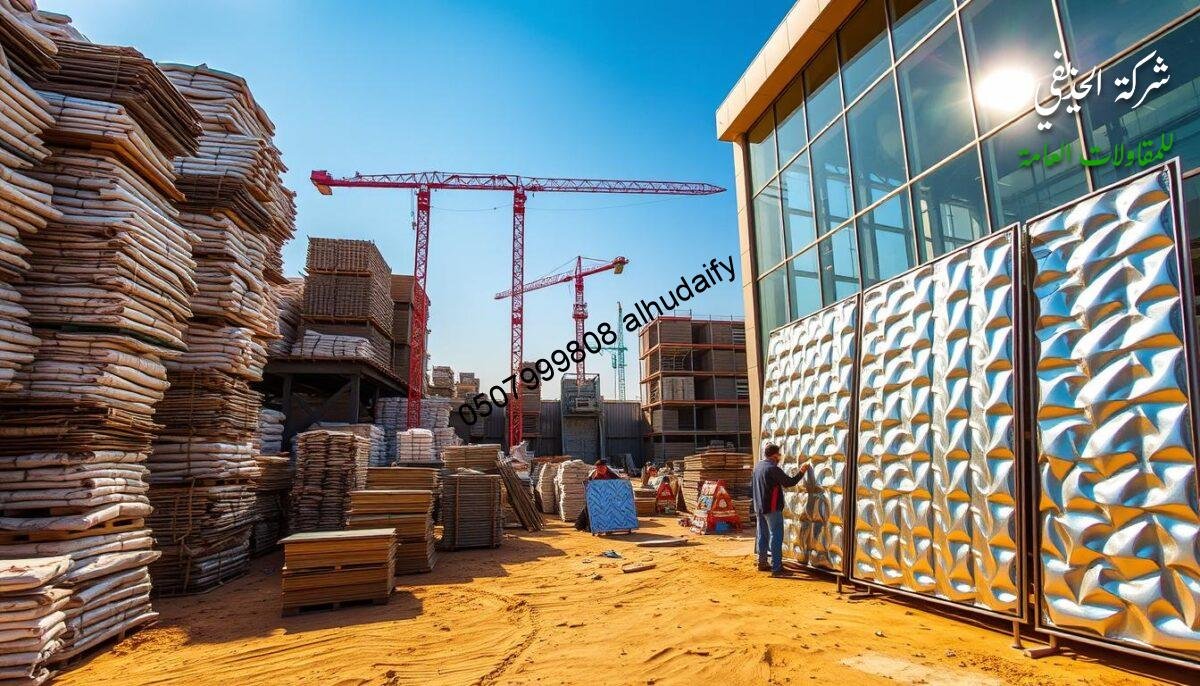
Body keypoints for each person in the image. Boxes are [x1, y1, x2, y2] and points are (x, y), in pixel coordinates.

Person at [752, 444, 809, 577]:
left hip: (759, 507)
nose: (780, 457)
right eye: (779, 455)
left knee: (763, 535)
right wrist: (802, 471)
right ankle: (776, 568)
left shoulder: (758, 467)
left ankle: (762, 562)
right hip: (772, 508)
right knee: (776, 536)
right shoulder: (773, 469)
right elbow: (789, 482)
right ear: (775, 455)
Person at [575, 459, 621, 530]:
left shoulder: (612, 474)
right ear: (596, 468)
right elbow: (588, 486)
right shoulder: (593, 475)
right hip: (596, 498)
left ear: (606, 467)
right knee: (588, 508)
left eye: (603, 468)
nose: (601, 470)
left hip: (609, 497)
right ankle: (590, 526)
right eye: (599, 468)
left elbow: (618, 484)